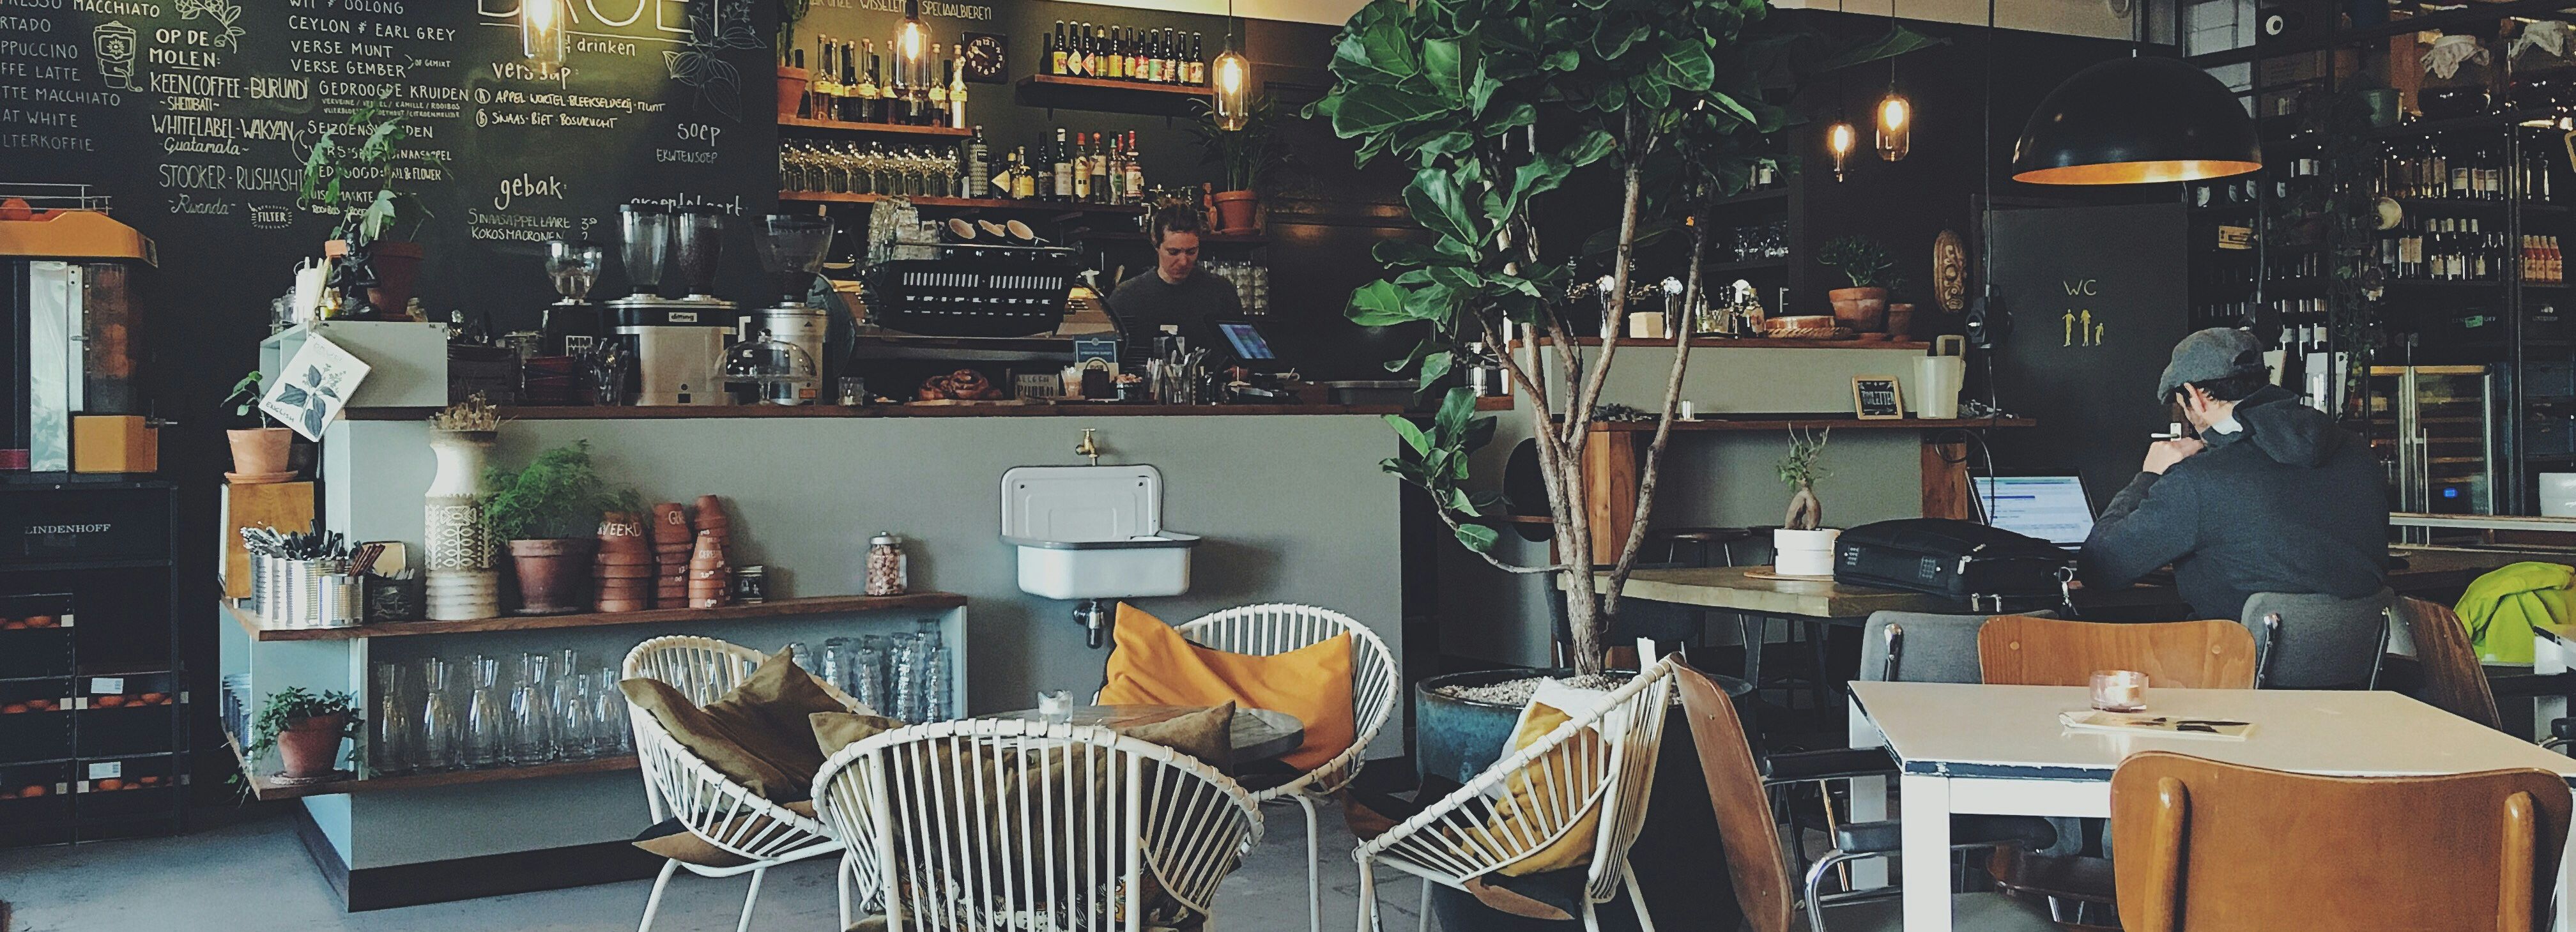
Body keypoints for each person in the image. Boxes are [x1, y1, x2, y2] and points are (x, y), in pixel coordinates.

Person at [2079, 328, 2389, 620]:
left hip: (2233, 668)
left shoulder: (2198, 481)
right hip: (2362, 670)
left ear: (2195, 396)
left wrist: (2149, 476)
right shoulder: (2358, 453)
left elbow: (2099, 567)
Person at [1105, 206, 1241, 353]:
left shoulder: (1221, 292)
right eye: (1173, 252)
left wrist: (1242, 368)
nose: (1183, 261)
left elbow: (1244, 354)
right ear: (1156, 244)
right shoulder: (1126, 297)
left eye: (1191, 252)